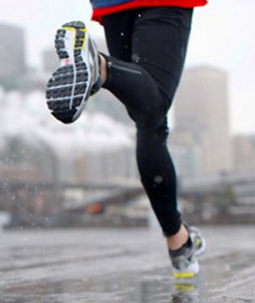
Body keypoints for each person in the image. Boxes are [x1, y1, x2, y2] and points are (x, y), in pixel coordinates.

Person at [45, 0, 207, 279]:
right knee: (153, 110)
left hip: (114, 4)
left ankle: (180, 244)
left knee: (148, 118)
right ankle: (99, 66)